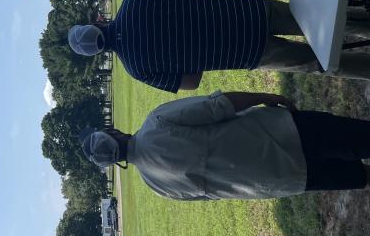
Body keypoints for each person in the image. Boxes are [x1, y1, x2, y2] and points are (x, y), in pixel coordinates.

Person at [67, 0, 370, 92]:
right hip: (243, 10)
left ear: (100, 53)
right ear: (97, 23)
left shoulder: (136, 68)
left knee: (322, 64)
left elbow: (191, 81)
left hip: (242, 53)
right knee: (320, 19)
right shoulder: (134, 1)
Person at [78, 91, 370, 201]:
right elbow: (219, 105)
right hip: (281, 134)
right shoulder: (157, 121)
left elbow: (210, 196)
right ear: (114, 132)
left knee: (360, 176)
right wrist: (267, 97)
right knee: (359, 140)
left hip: (283, 180)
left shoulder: (156, 185)